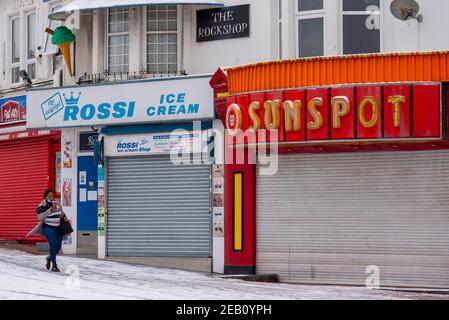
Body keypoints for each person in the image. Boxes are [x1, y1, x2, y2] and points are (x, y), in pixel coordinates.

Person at [27, 189, 65, 272]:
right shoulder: (42, 205)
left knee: (58, 247)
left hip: (58, 227)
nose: (52, 197)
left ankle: (49, 258)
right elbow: (40, 217)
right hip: (48, 227)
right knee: (53, 244)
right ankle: (54, 265)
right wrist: (49, 210)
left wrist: (62, 215)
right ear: (45, 197)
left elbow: (61, 213)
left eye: (52, 196)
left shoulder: (57, 202)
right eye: (49, 196)